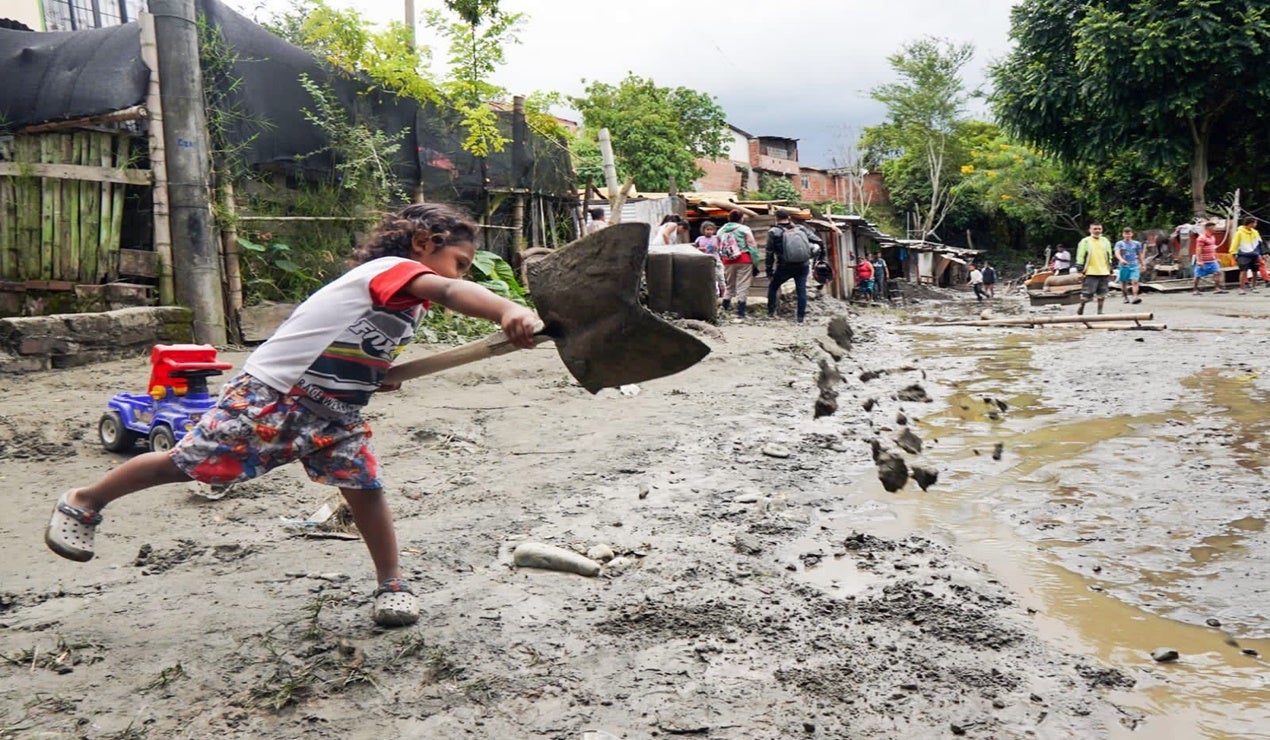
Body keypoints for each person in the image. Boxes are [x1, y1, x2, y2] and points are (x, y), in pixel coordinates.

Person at [42, 203, 540, 628]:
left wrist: (377, 373)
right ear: (422, 243)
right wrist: (505, 311)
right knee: (183, 463)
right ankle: (83, 501)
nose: (461, 275)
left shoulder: (407, 298)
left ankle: (391, 584)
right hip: (275, 397)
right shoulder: (391, 272)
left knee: (366, 487)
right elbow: (452, 293)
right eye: (459, 261)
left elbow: (367, 348)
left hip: (338, 413)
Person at [765, 212, 822, 323]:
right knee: (801, 290)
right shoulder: (801, 229)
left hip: (784, 266)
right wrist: (820, 259)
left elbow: (769, 253)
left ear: (776, 218)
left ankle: (771, 313)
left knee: (773, 287)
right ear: (789, 218)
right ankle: (800, 318)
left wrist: (769, 270)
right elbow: (818, 241)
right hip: (803, 264)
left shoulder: (774, 232)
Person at [717, 209, 759, 319]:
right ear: (741, 218)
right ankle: (741, 313)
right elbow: (752, 246)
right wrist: (755, 262)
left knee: (730, 285)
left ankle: (724, 310)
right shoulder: (744, 229)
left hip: (727, 261)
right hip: (744, 259)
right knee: (742, 286)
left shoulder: (721, 231)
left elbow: (719, 247)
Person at [1075, 223, 1113, 315]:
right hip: (1090, 271)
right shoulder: (1085, 241)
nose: (1097, 231)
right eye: (1095, 229)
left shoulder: (1105, 241)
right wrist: (1080, 270)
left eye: (1099, 229)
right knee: (1087, 294)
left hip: (1104, 271)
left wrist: (1110, 269)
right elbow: (1080, 255)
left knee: (1102, 294)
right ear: (1090, 230)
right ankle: (1081, 306)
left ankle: (1100, 312)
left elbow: (1109, 255)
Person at [1192, 219, 1227, 295]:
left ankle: (1217, 288)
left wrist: (1216, 257)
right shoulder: (1201, 238)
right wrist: (1199, 260)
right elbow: (1198, 250)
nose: (1215, 229)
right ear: (1209, 228)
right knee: (1198, 275)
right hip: (1204, 260)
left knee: (1217, 272)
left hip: (1212, 260)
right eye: (1214, 227)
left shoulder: (1212, 237)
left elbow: (1213, 248)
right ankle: (1195, 289)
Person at [1229, 215, 1262, 292]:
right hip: (1243, 254)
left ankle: (1253, 287)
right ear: (1250, 223)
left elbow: (1259, 242)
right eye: (1255, 223)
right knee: (1243, 271)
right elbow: (1235, 243)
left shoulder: (1255, 232)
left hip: (1254, 254)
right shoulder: (1239, 233)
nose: (1255, 225)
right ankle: (1242, 288)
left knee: (1255, 271)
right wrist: (1233, 253)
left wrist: (1262, 253)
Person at [693, 220, 726, 297]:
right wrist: (699, 249)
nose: (709, 231)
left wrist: (717, 248)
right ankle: (714, 294)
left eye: (711, 230)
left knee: (720, 276)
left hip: (716, 259)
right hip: (705, 260)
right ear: (703, 230)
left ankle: (723, 292)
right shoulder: (700, 239)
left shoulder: (716, 238)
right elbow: (694, 248)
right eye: (707, 229)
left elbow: (722, 247)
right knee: (710, 278)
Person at [1114, 227, 1145, 304]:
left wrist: (1143, 264)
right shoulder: (1119, 243)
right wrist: (1121, 260)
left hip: (1134, 264)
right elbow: (1117, 253)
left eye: (1129, 234)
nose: (1127, 235)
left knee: (1135, 281)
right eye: (1125, 234)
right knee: (1124, 282)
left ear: (1132, 234)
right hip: (1123, 265)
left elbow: (1140, 254)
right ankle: (1125, 297)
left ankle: (1135, 296)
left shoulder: (1136, 244)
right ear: (1123, 234)